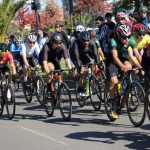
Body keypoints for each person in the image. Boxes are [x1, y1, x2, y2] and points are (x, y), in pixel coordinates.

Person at [107, 25, 139, 119]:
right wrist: (122, 67)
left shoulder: (131, 40)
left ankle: (123, 97)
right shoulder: (113, 41)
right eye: (124, 37)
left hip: (122, 58)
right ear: (119, 36)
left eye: (129, 37)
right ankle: (113, 104)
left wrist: (141, 66)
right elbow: (115, 57)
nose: (127, 39)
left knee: (129, 68)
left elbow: (136, 54)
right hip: (112, 60)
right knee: (114, 82)